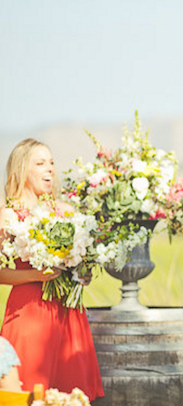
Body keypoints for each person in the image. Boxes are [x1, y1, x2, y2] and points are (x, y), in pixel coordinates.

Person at [0, 139, 104, 400]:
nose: (49, 169)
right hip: (29, 313)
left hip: (68, 314)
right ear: (21, 170)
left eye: (51, 162)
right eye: (40, 163)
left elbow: (80, 266)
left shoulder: (66, 213)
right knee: (28, 395)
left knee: (73, 396)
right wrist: (33, 276)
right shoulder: (8, 216)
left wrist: (83, 273)